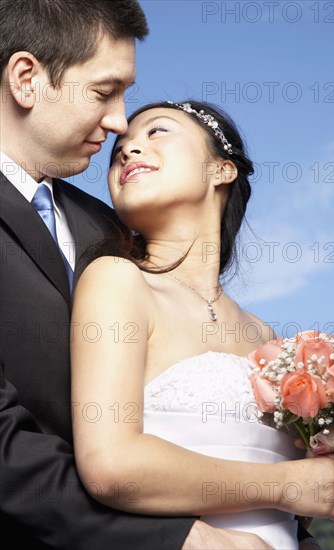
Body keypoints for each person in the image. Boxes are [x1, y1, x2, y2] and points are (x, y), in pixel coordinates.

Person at [70, 100, 334, 549]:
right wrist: (283, 483)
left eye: (156, 132)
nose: (127, 151)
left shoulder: (266, 339)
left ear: (221, 170)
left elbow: (298, 496)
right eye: (118, 150)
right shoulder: (117, 280)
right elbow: (112, 466)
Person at [0, 2, 235, 548]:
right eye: (104, 92)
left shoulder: (110, 225)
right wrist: (175, 537)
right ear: (27, 79)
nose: (118, 122)